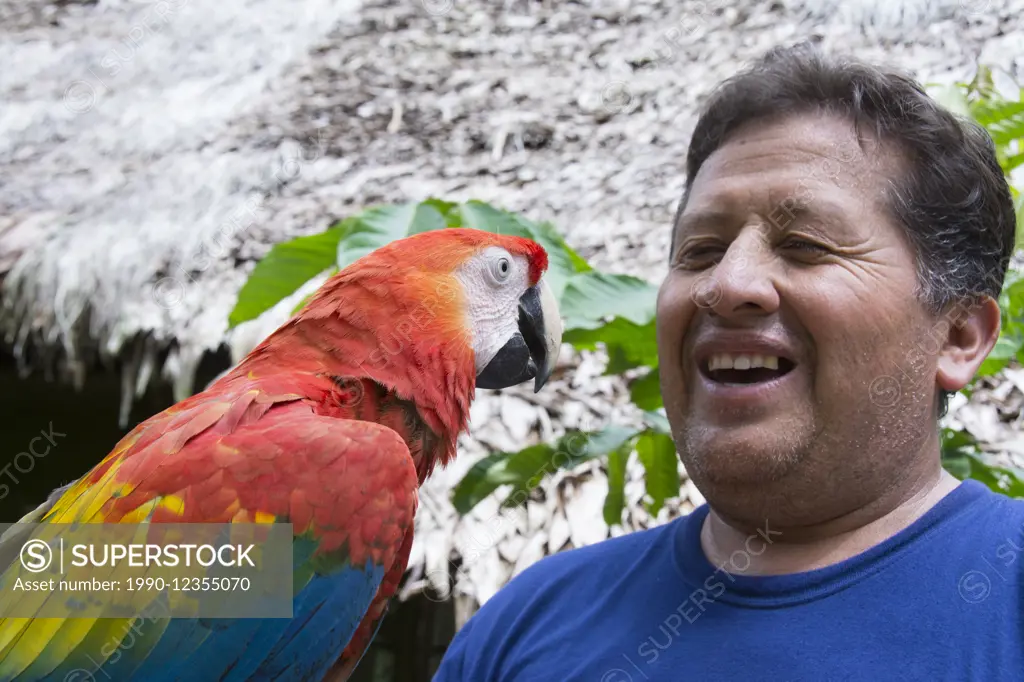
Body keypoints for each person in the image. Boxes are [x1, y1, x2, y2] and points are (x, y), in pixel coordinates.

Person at [432, 43, 1024, 681]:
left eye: (805, 245)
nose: (726, 283)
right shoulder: (524, 624)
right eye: (700, 250)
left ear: (959, 335)